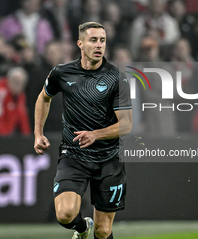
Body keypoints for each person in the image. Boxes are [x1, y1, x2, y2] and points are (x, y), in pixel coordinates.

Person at [34, 22, 132, 239]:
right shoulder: (62, 72)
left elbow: (126, 124)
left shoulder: (116, 78)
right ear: (80, 44)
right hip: (74, 154)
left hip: (109, 158)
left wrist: (96, 134)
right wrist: (38, 133)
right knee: (65, 214)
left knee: (104, 230)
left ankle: (93, 230)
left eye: (103, 40)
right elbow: (44, 97)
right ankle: (81, 228)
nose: (99, 45)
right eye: (93, 40)